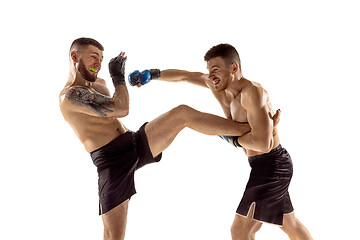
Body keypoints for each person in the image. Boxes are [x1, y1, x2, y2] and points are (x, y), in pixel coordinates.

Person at [59, 38, 280, 240]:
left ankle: (246, 129)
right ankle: (247, 129)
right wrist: (118, 76)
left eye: (101, 57)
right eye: (93, 56)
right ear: (74, 57)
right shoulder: (69, 96)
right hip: (111, 162)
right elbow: (122, 108)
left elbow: (185, 76)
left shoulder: (99, 85)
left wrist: (153, 74)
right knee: (113, 235)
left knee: (182, 113)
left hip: (133, 143)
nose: (98, 62)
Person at [130, 43, 312, 240]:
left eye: (215, 70)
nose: (211, 75)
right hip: (263, 164)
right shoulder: (217, 86)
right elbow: (185, 76)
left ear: (234, 68)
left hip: (272, 165)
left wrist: (231, 138)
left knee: (241, 230)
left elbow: (262, 144)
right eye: (209, 70)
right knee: (289, 223)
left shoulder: (252, 93)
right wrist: (152, 74)